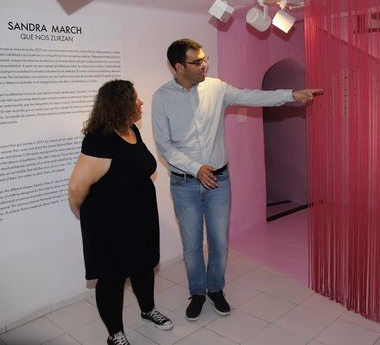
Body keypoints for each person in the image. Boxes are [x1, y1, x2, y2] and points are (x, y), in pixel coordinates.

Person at [151, 38, 322, 321]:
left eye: (205, 59)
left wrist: (291, 94)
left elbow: (253, 97)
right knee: (192, 245)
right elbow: (164, 146)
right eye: (198, 61)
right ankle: (197, 293)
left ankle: (216, 289)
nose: (205, 65)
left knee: (219, 242)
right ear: (179, 67)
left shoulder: (216, 88)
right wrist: (196, 168)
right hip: (184, 184)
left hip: (219, 181)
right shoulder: (162, 98)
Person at [68, 80, 173, 345]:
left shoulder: (131, 129)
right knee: (112, 276)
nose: (141, 102)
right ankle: (115, 333)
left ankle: (148, 310)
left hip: (140, 215)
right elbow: (77, 187)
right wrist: (83, 212)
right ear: (119, 103)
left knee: (143, 265)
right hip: (110, 221)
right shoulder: (100, 139)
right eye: (135, 98)